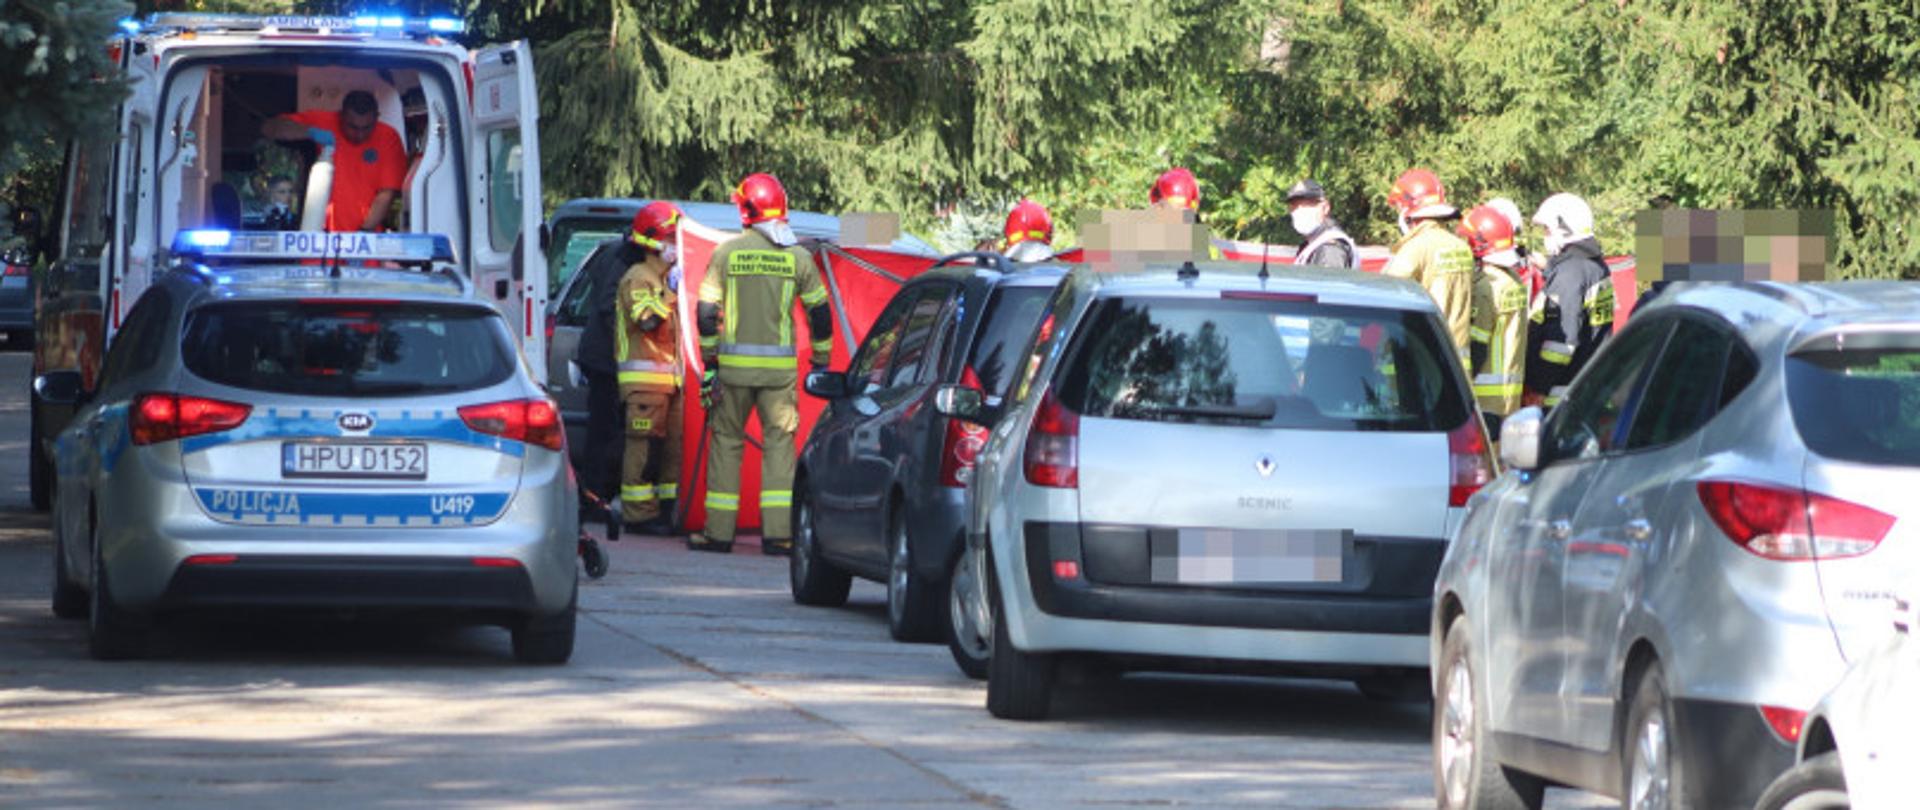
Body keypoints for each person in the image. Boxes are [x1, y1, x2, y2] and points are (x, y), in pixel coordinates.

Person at [691, 173, 835, 555]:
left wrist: (710, 360)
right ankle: (780, 536)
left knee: (726, 444)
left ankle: (718, 534)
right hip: (778, 376)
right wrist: (821, 361)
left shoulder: (726, 253)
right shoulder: (799, 257)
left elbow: (706, 312)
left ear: (745, 210)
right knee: (779, 449)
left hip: (733, 372)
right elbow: (820, 313)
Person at [571, 218, 651, 521]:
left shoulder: (611, 251)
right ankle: (595, 498)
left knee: (603, 430)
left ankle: (596, 494)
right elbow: (609, 306)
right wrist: (630, 344)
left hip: (600, 356)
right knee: (604, 431)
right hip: (606, 359)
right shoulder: (624, 259)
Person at [616, 202, 687, 536]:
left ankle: (665, 511)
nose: (677, 242)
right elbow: (646, 322)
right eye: (672, 236)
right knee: (643, 448)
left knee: (671, 450)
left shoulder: (664, 278)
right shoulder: (639, 278)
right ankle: (638, 515)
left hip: (669, 381)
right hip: (644, 384)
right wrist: (671, 294)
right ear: (654, 241)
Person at [262, 91, 407, 232]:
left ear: (377, 117)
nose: (359, 135)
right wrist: (308, 132)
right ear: (341, 116)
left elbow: (386, 193)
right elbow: (269, 128)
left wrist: (364, 233)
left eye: (367, 128)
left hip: (364, 240)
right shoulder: (322, 122)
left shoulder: (388, 137)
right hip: (317, 234)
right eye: (353, 127)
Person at [1526, 193, 1615, 408]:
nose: (1545, 235)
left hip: (1560, 396)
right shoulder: (1594, 266)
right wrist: (1550, 269)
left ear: (1563, 228)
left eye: (1547, 229)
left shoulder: (1569, 274)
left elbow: (1560, 343)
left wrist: (1539, 387)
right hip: (1588, 385)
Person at [1382, 168, 1476, 363]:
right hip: (1457, 365)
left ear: (1409, 210)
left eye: (1400, 207)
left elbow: (1386, 297)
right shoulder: (1461, 248)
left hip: (1426, 360)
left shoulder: (1415, 248)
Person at [1458, 205, 1530, 427]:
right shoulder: (1513, 281)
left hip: (1485, 400)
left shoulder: (1486, 287)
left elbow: (1478, 345)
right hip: (1509, 398)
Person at [1286, 179, 1357, 269]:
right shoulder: (1313, 244)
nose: (1299, 211)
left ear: (1325, 207)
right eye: (1294, 206)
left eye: (1308, 204)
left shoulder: (1330, 248)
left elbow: (1330, 281)